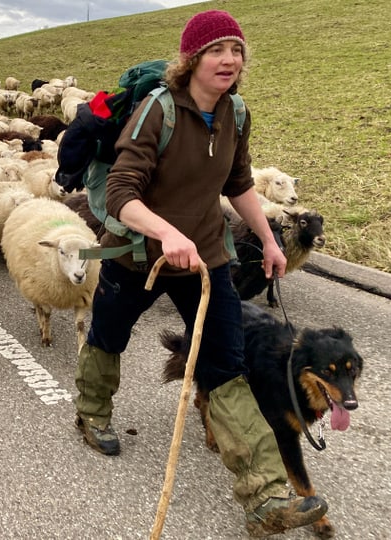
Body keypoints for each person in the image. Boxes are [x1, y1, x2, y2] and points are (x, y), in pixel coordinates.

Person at [72, 10, 328, 538]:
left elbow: (238, 183)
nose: (229, 60)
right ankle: (92, 412)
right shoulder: (157, 112)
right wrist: (166, 232)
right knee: (109, 335)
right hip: (137, 255)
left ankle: (266, 496)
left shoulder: (236, 112)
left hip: (206, 258)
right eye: (217, 51)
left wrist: (267, 240)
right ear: (192, 59)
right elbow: (121, 193)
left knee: (225, 362)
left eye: (236, 51)